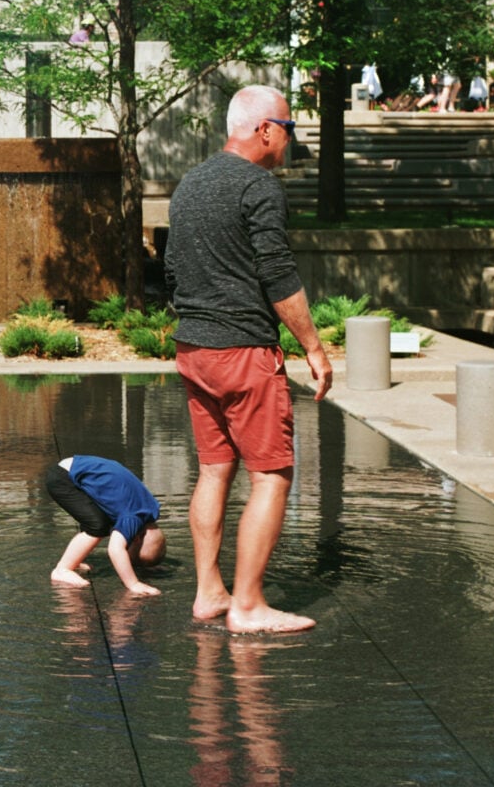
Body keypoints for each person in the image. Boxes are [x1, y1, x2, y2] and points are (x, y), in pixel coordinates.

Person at [164, 84, 332, 635]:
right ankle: (249, 605)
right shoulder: (258, 187)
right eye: (288, 128)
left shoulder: (190, 182)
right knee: (272, 475)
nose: (290, 141)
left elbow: (171, 270)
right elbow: (277, 274)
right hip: (241, 351)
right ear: (265, 129)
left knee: (214, 469)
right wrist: (312, 345)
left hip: (194, 347)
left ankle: (210, 591)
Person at [45, 454, 166, 596]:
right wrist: (133, 583)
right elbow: (115, 549)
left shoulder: (151, 509)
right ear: (138, 537)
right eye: (130, 551)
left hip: (79, 468)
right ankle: (62, 570)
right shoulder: (133, 518)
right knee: (98, 527)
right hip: (64, 478)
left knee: (98, 520)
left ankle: (74, 560)